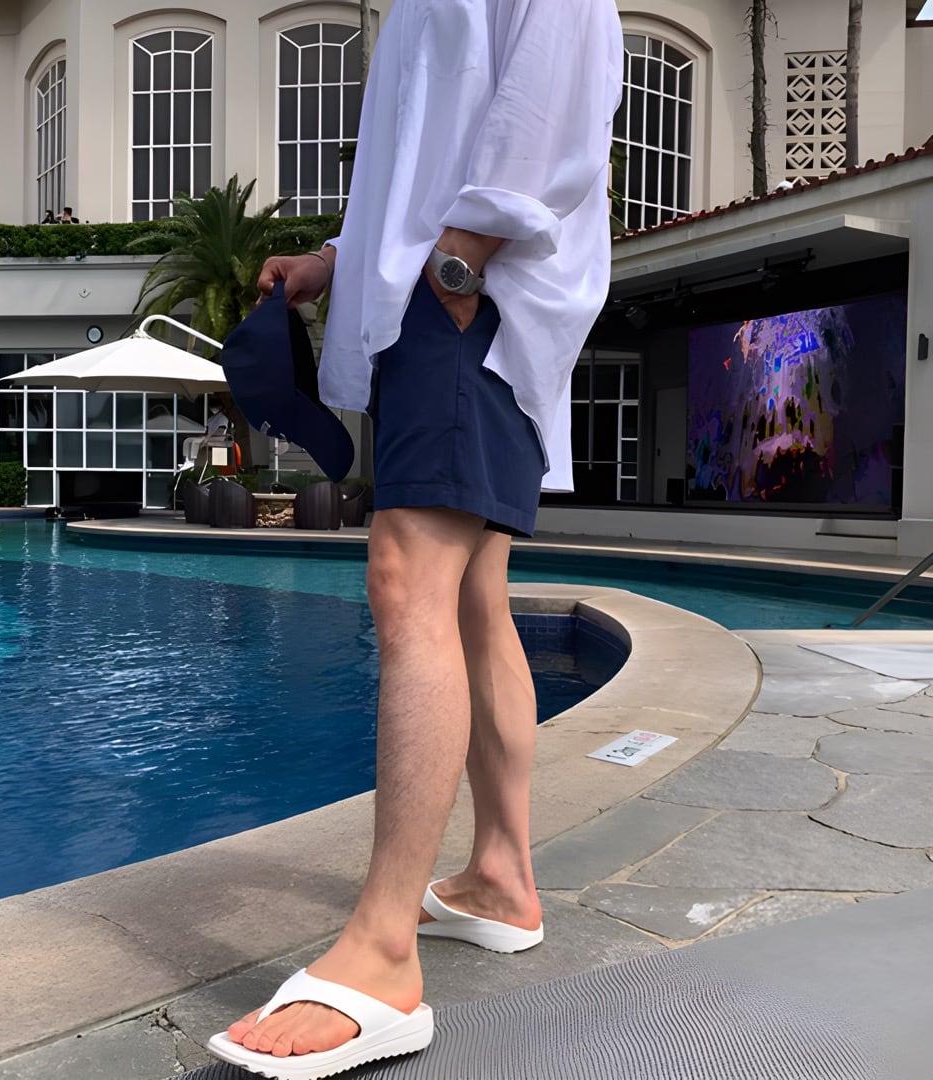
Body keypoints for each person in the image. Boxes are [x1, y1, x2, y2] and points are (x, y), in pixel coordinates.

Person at [207, 2, 624, 1077]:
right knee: (474, 597)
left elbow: (548, 100)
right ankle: (502, 878)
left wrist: (455, 267)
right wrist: (339, 258)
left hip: (465, 300)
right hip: (447, 298)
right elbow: (429, 150)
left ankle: (385, 953)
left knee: (407, 576)